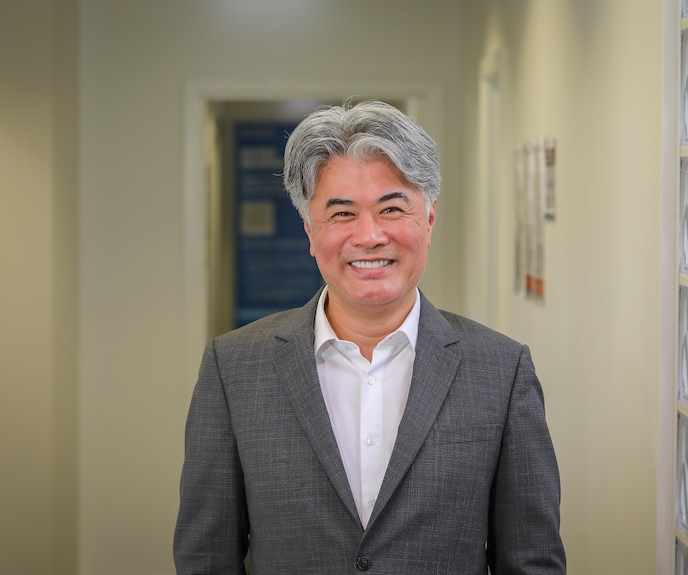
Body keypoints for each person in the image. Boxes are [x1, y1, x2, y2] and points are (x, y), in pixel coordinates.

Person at [173, 99, 566, 574]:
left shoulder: (501, 371)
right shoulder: (234, 369)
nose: (370, 235)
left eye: (392, 208)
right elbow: (206, 559)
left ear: (430, 218)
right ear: (309, 230)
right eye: (342, 214)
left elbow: (531, 562)